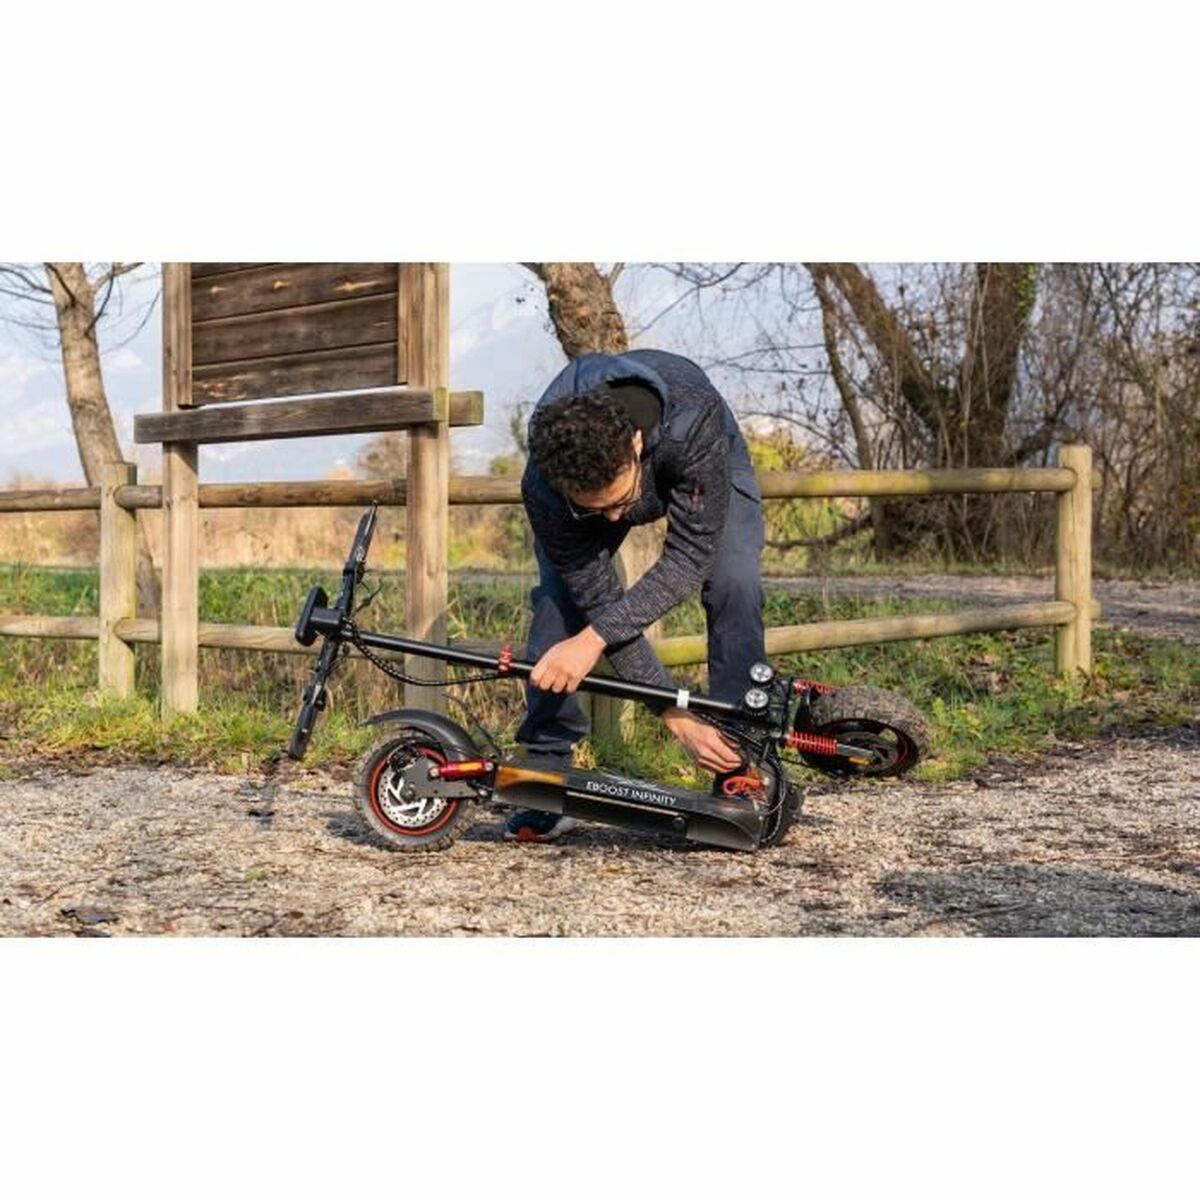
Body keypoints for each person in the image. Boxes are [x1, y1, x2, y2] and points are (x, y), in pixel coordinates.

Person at [503, 348, 767, 842]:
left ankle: (738, 761)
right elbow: (599, 603)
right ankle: (545, 766)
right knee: (559, 607)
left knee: (734, 582)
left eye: (619, 502)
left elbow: (688, 558)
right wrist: (674, 714)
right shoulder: (544, 485)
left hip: (696, 446)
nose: (613, 520)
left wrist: (595, 638)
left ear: (635, 442)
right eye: (594, 510)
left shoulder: (693, 422)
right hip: (594, 476)